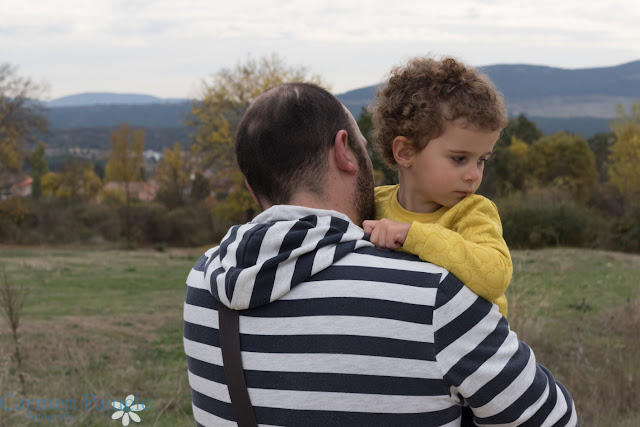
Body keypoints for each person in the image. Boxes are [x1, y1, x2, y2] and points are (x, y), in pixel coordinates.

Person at [183, 82, 578, 426]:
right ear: (345, 152)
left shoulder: (202, 283)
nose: (474, 173)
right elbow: (555, 419)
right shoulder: (435, 296)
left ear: (254, 191)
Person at [364, 56, 512, 317]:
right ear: (405, 151)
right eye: (459, 159)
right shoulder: (370, 205)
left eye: (481, 160)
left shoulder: (473, 212)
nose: (473, 175)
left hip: (472, 349)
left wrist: (415, 236)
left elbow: (496, 275)